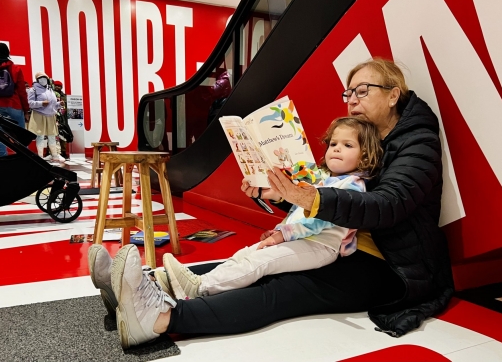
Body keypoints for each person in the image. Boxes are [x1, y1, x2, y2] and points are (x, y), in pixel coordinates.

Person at [88, 58, 453, 349]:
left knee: (279, 288)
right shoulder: (363, 137)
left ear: (393, 95)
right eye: (348, 92)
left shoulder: (417, 142)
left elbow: (389, 206)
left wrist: (311, 197)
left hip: (391, 265)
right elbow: (320, 206)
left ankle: (158, 320)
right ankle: (142, 287)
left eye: (362, 90)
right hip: (343, 243)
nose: (352, 99)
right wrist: (280, 195)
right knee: (250, 260)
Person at [161, 117, 383, 300]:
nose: (336, 149)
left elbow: (319, 220)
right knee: (246, 254)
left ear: (364, 155)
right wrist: (280, 227)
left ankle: (200, 287)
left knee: (262, 261)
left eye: (348, 145)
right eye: (333, 144)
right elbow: (297, 210)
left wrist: (281, 236)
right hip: (299, 239)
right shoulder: (321, 177)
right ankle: (193, 281)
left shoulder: (353, 184)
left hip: (321, 246)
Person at [0, 42, 30, 157]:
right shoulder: (15, 68)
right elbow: (22, 92)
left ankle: (2, 157)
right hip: (15, 105)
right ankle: (24, 158)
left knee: (0, 133)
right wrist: (26, 110)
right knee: (21, 135)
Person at [27, 72, 65, 163]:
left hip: (50, 116)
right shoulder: (33, 90)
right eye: (40, 78)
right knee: (40, 136)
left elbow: (52, 104)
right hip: (39, 115)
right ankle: (40, 156)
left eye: (44, 78)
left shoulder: (50, 89)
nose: (43, 80)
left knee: (52, 136)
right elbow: (30, 103)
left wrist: (59, 104)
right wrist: (41, 103)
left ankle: (55, 155)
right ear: (37, 80)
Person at [53, 80, 69, 159]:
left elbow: (67, 107)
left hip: (62, 118)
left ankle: (63, 152)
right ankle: (50, 152)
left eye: (59, 86)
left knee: (63, 135)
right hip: (52, 117)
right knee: (51, 135)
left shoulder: (65, 96)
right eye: (56, 85)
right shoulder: (50, 94)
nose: (57, 87)